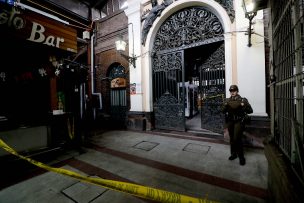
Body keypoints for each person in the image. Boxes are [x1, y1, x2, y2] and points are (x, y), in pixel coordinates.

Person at [222, 85, 253, 165]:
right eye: (231, 91)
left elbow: (250, 111)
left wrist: (244, 106)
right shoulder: (227, 100)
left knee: (237, 139)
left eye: (234, 90)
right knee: (232, 138)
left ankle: (241, 156)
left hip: (239, 121)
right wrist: (225, 106)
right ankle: (233, 154)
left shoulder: (243, 100)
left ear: (237, 91)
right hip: (230, 121)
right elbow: (222, 111)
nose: (232, 92)